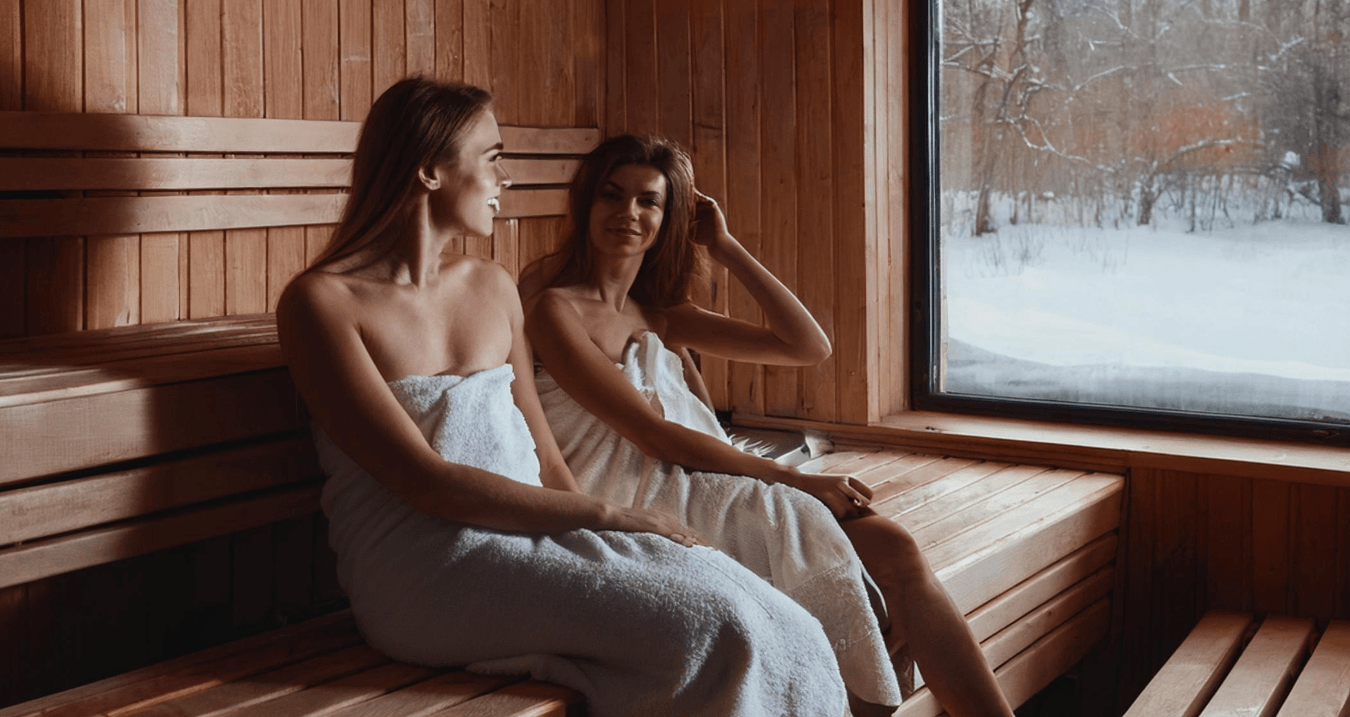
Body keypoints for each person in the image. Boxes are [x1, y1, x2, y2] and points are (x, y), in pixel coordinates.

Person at [275, 78, 850, 717]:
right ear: (428, 169)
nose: (507, 178)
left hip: (540, 534)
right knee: (719, 624)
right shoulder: (322, 303)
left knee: (779, 616)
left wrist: (605, 530)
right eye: (492, 157)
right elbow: (427, 482)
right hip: (428, 565)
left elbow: (545, 458)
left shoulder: (491, 288)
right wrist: (607, 518)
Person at [520, 133, 1017, 717]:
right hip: (636, 493)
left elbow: (808, 345)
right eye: (612, 195)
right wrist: (798, 481)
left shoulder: (659, 314)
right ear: (587, 204)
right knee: (878, 554)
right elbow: (652, 435)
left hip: (692, 477)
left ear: (669, 216)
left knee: (895, 551)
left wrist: (727, 247)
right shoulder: (555, 307)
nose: (628, 213)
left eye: (649, 201)